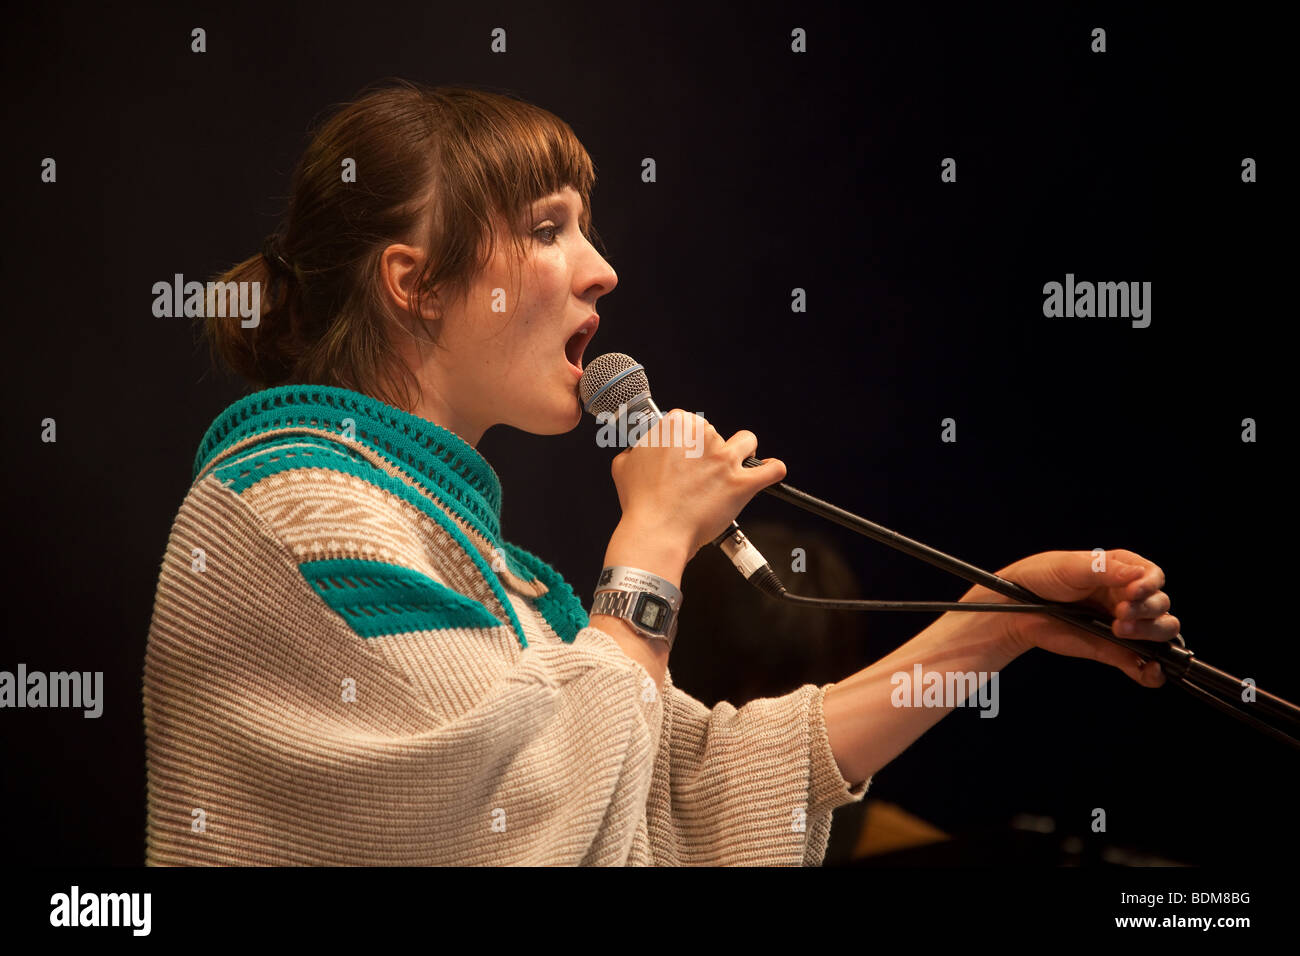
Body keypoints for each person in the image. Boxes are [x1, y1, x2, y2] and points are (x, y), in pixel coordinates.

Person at [143, 78, 1179, 866]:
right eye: (548, 229)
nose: (602, 268)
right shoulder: (290, 509)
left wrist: (995, 625)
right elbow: (523, 817)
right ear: (414, 282)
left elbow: (681, 785)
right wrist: (649, 543)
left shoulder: (456, 544)